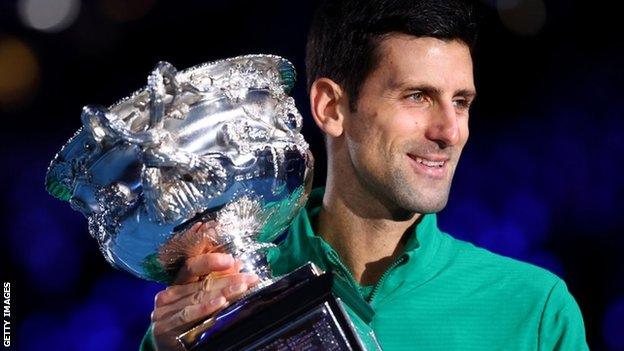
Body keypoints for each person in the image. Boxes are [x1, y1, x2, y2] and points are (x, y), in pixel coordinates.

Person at [142, 0, 589, 349]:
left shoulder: (534, 310)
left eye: (461, 102)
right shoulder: (219, 302)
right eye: (417, 97)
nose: (450, 132)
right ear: (331, 108)